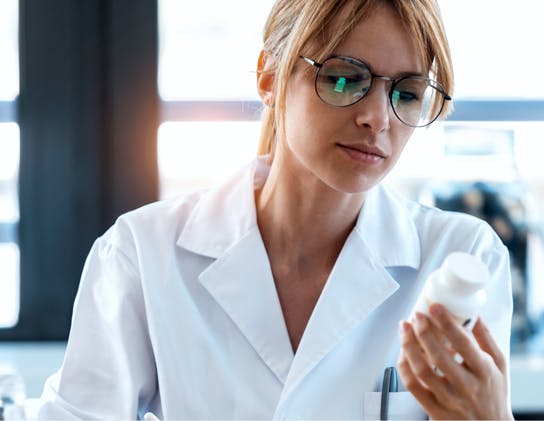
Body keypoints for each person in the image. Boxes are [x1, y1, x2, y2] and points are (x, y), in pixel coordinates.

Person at [37, 0, 513, 419]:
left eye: (406, 93)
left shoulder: (461, 257)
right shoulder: (143, 253)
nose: (378, 118)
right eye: (345, 78)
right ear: (270, 77)